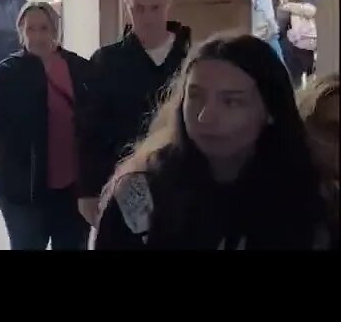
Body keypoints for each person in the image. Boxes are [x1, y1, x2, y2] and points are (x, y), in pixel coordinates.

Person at [93, 34, 335, 250]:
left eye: (231, 102)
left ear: (271, 110)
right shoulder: (139, 195)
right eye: (195, 97)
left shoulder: (312, 196)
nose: (204, 116)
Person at [76, 0, 191, 225]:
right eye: (139, 8)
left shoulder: (191, 58)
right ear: (128, 9)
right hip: (121, 176)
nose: (148, 17)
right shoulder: (106, 61)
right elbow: (89, 129)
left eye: (155, 8)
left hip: (183, 175)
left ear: (167, 6)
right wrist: (87, 189)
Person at [0, 2, 94, 250]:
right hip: (23, 191)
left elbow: (96, 125)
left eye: (44, 28)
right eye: (30, 28)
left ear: (56, 30)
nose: (37, 36)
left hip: (72, 190)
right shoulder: (7, 73)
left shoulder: (80, 69)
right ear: (21, 31)